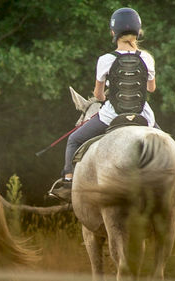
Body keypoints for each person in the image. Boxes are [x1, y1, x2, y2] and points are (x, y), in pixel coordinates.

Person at [50, 7, 157, 202]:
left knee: (74, 140)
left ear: (113, 33)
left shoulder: (106, 60)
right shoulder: (147, 58)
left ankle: (68, 181)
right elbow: (151, 89)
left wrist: (106, 92)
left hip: (111, 116)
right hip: (144, 116)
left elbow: (98, 95)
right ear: (138, 31)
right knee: (168, 142)